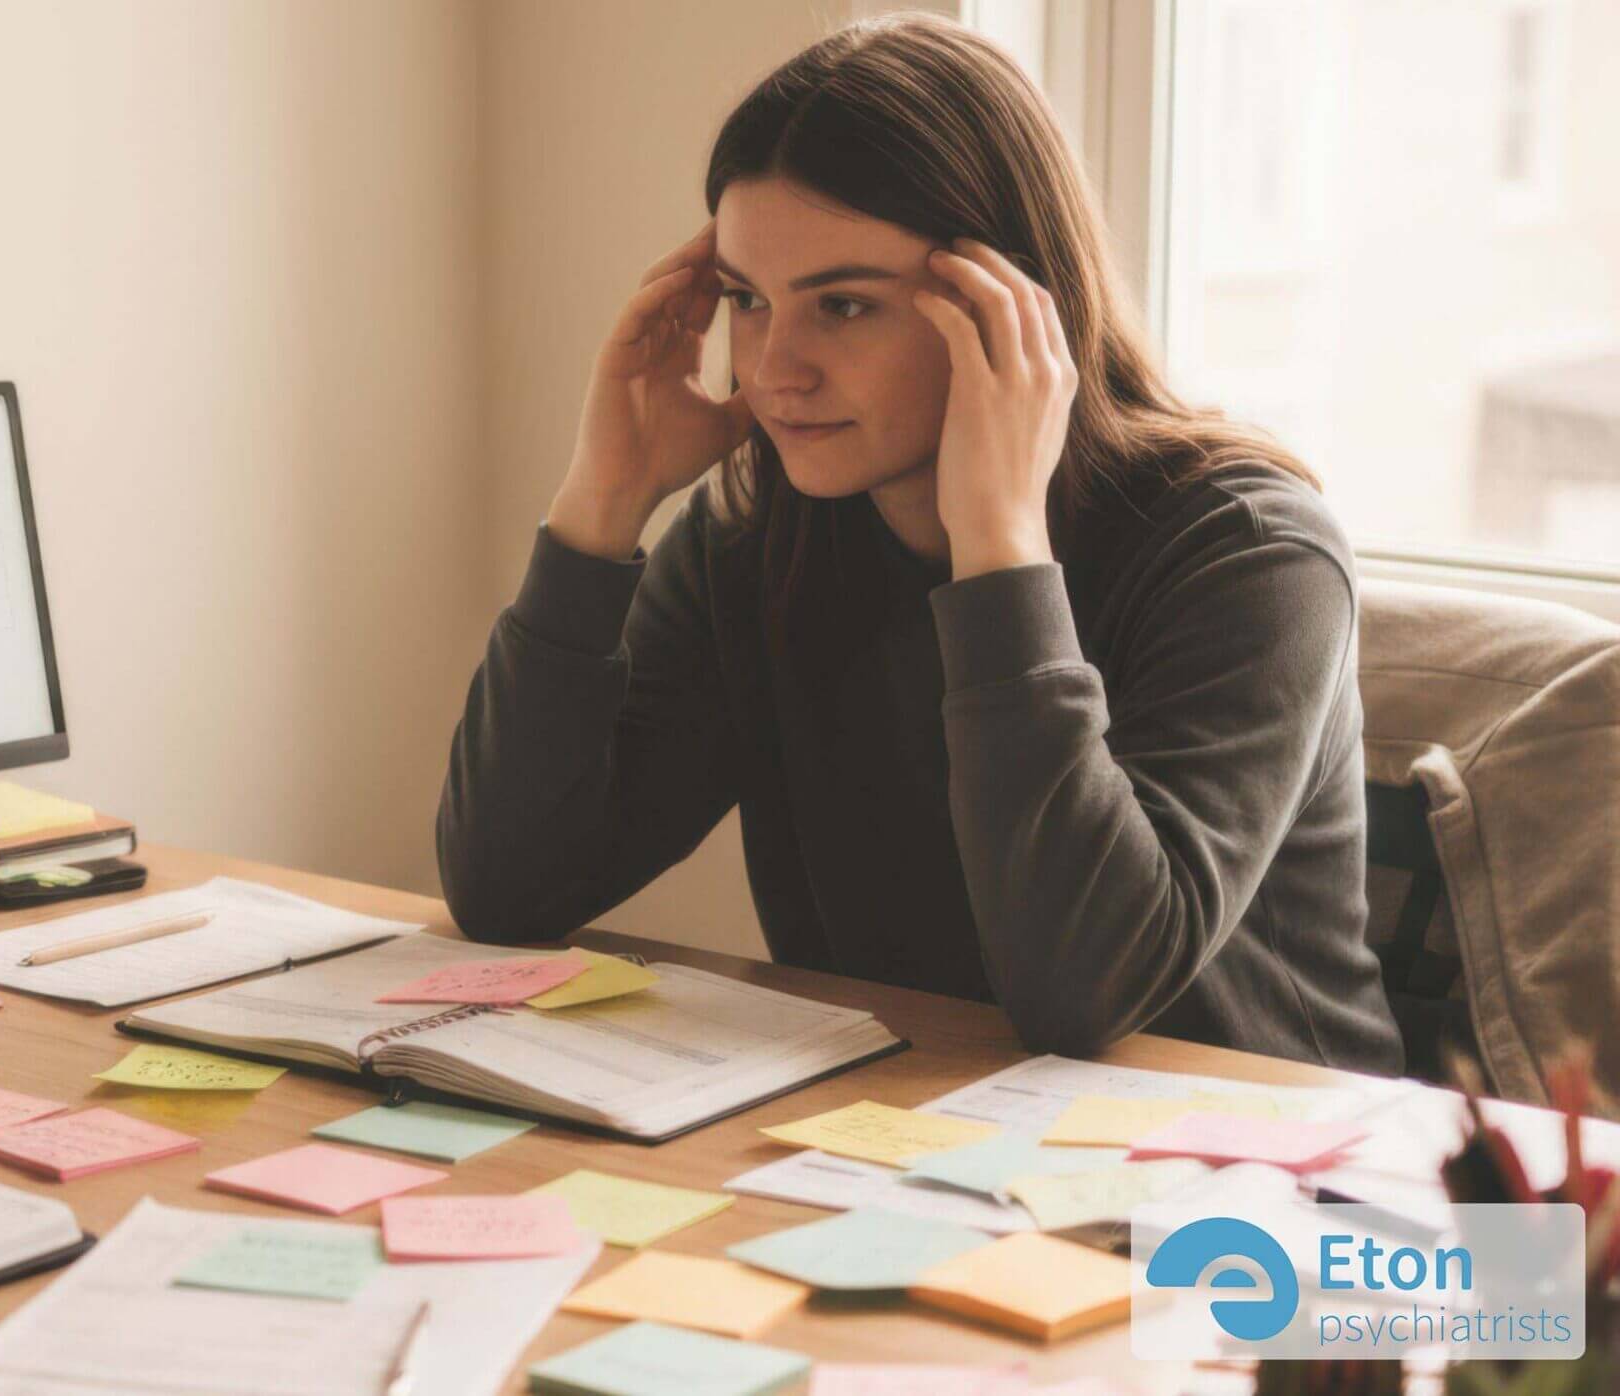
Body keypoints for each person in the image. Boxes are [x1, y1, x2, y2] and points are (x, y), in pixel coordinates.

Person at [435, 12, 1402, 1073]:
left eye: (844, 306)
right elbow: (508, 892)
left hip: (1265, 1154)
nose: (774, 370)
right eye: (748, 300)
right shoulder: (754, 540)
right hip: (916, 1130)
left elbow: (1081, 995)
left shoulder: (1253, 555)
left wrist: (998, 542)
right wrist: (602, 501)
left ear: (1013, 307)